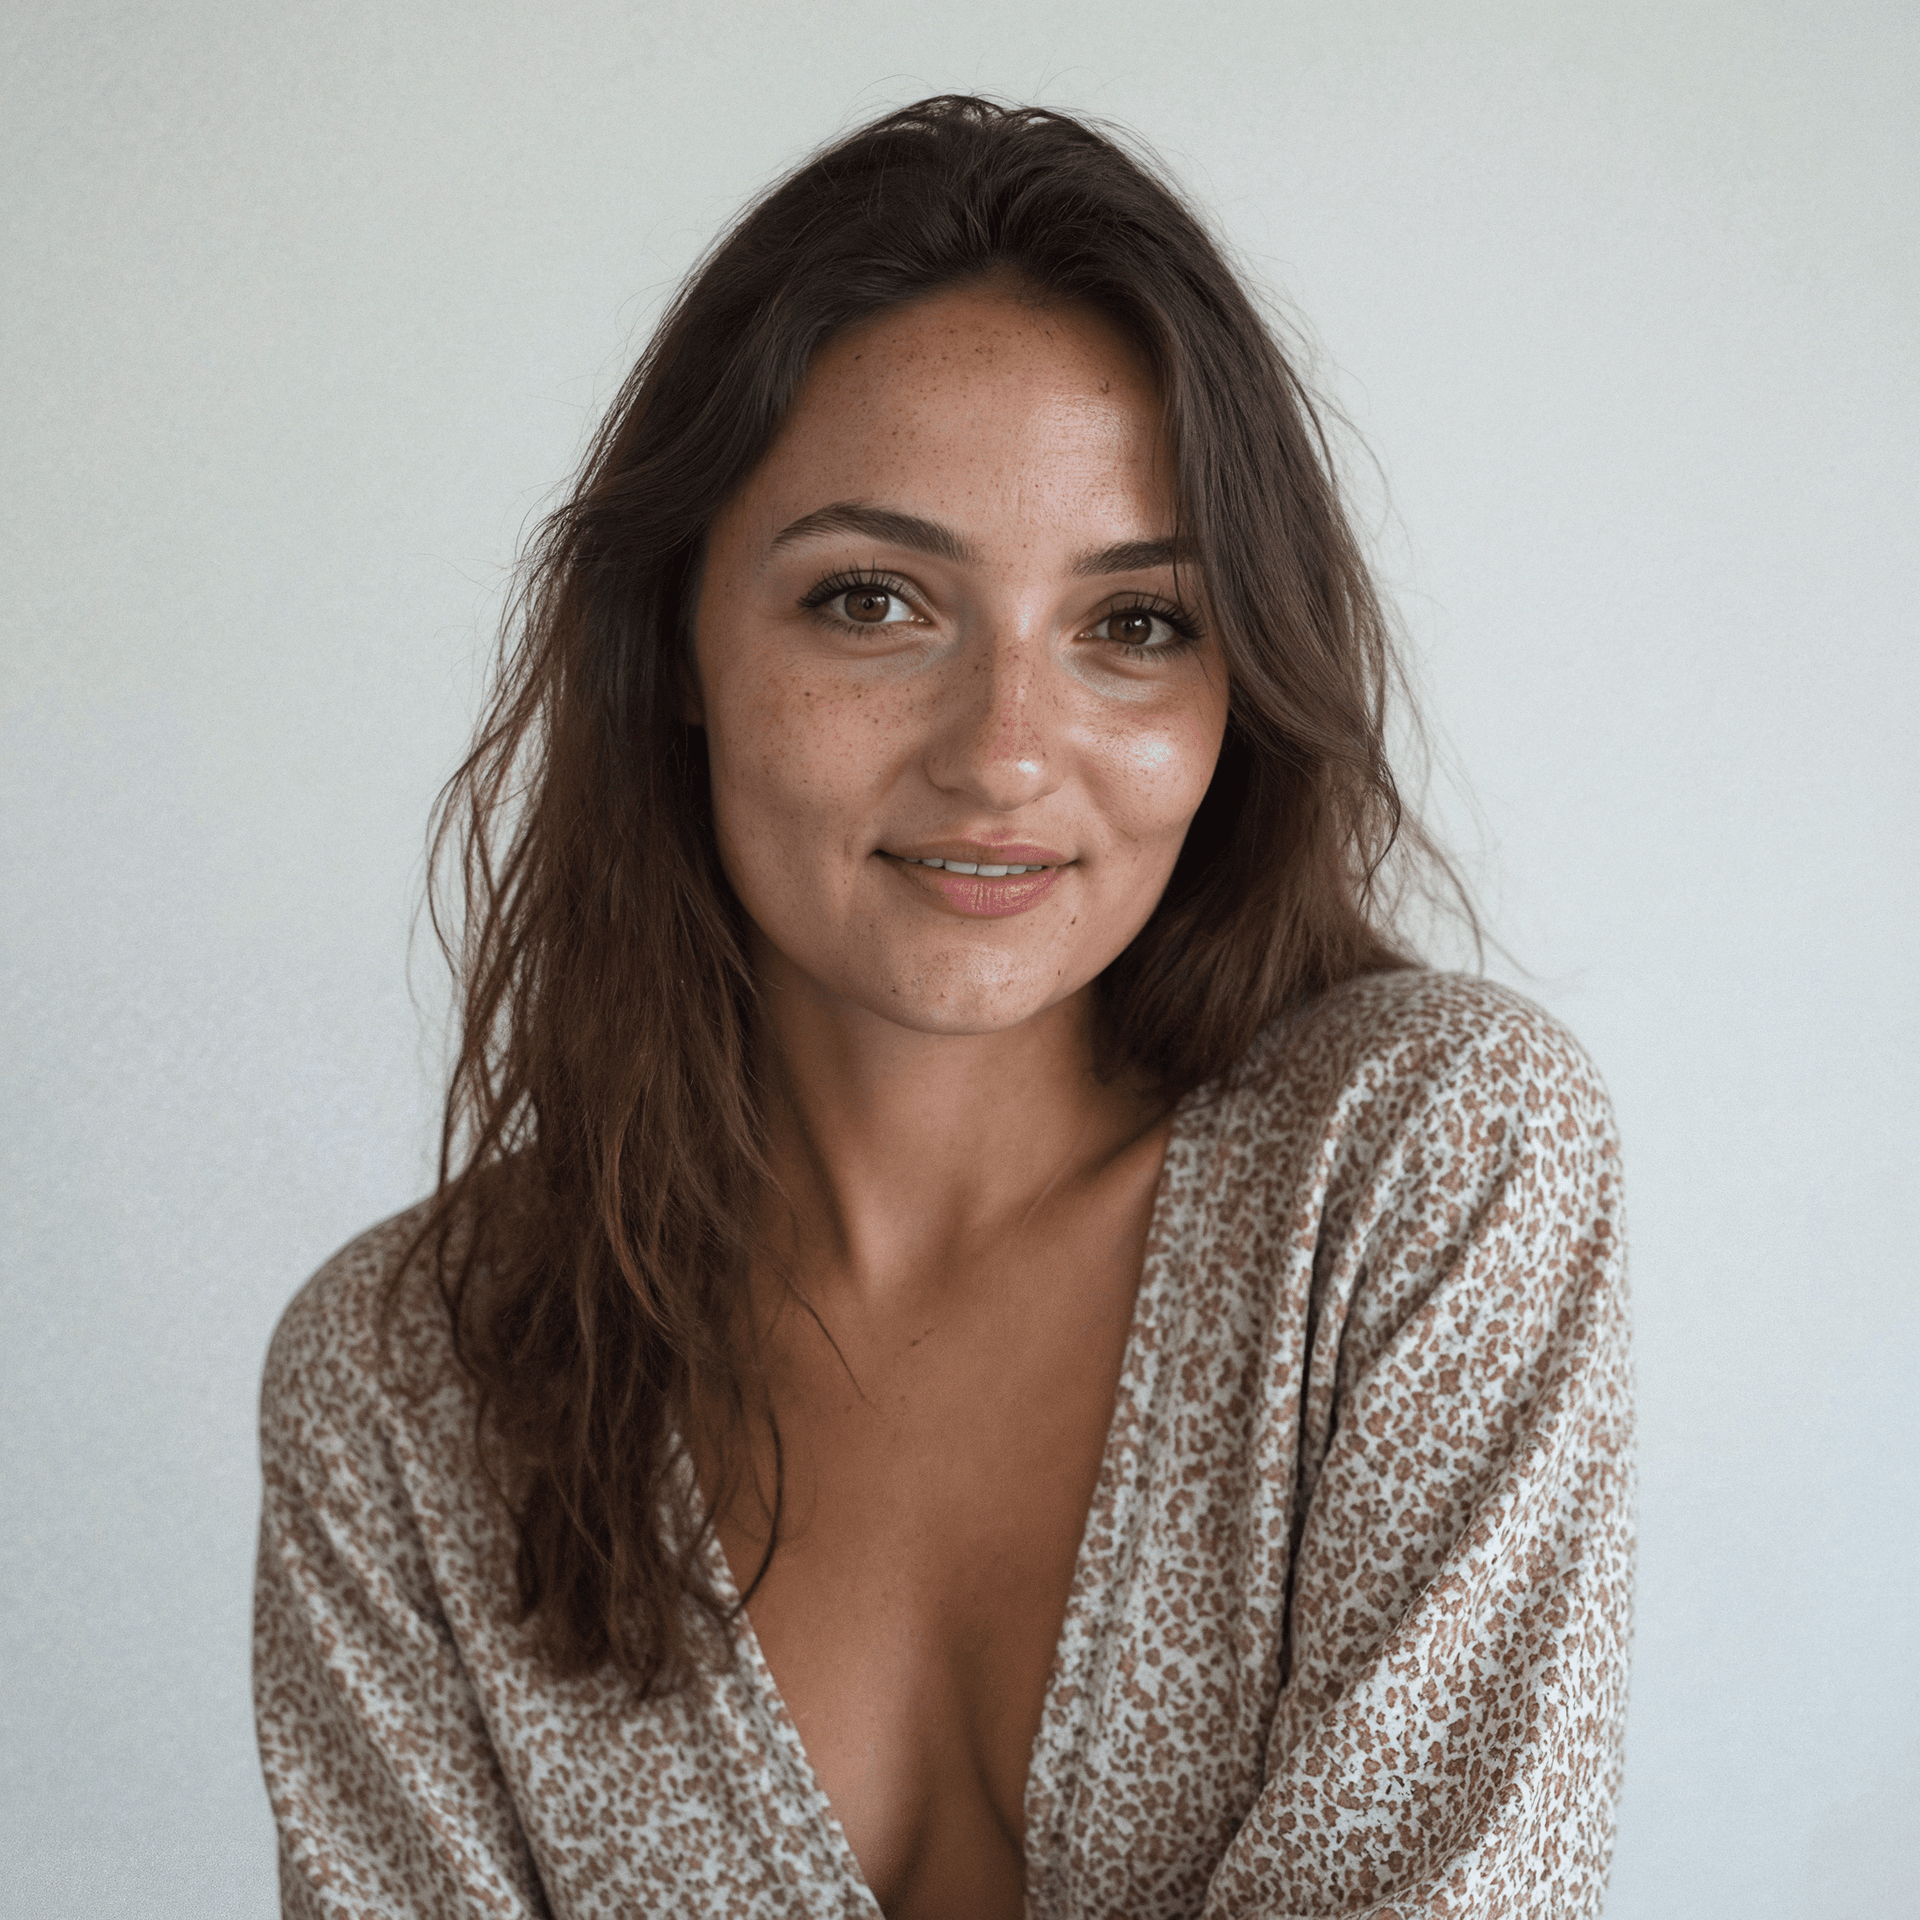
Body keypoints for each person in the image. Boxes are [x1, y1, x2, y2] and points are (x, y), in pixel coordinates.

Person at [252, 96, 1633, 1920]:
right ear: (676, 639)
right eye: (875, 599)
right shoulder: (408, 1385)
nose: (1003, 754)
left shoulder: (1421, 1173)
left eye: (1135, 623)